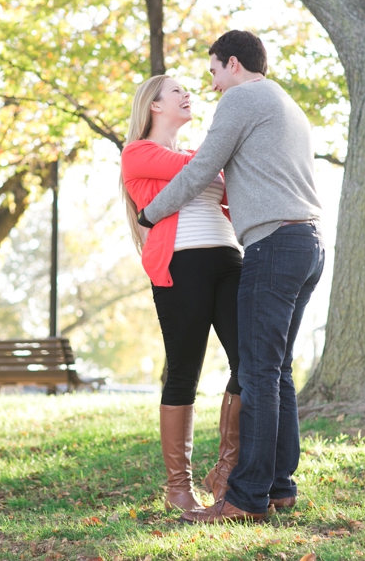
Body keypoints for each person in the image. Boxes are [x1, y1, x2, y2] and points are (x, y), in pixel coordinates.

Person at [137, 30, 324, 524]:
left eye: (214, 71)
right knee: (275, 370)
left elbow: (202, 168)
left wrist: (150, 214)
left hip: (272, 246)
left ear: (233, 64)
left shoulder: (241, 100)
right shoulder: (285, 103)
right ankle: (281, 487)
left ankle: (244, 496)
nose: (212, 84)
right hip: (307, 243)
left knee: (260, 372)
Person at [120, 74, 244, 511]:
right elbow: (200, 170)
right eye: (176, 91)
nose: (187, 94)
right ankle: (178, 488)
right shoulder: (137, 153)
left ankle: (225, 471)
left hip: (229, 258)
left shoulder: (199, 155)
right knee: (184, 371)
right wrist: (221, 159)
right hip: (181, 264)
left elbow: (224, 178)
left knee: (250, 362)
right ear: (154, 106)